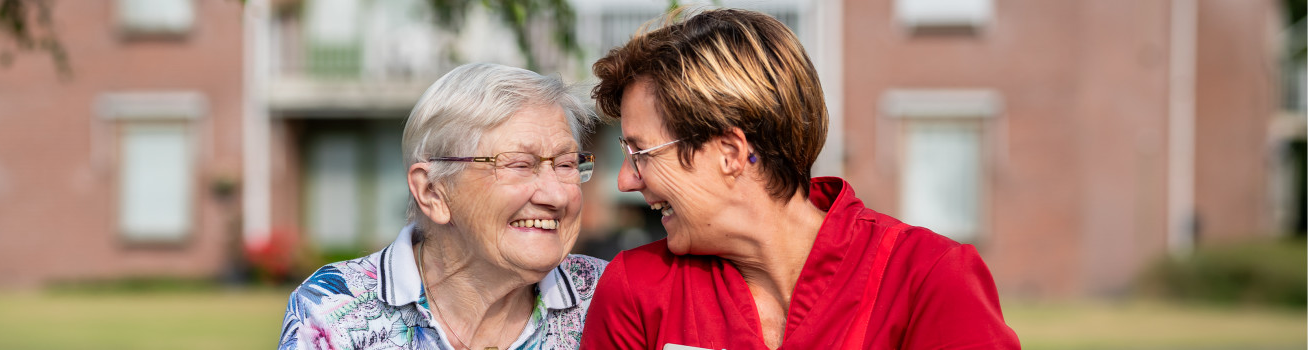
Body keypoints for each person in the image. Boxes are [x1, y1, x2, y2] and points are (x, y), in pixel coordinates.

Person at [581, 8, 1020, 349]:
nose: (625, 180)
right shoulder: (637, 290)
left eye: (641, 153)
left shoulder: (926, 279)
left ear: (731, 153)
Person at [277, 63, 606, 350]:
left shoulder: (609, 296)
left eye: (565, 165)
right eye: (519, 165)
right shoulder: (333, 313)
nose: (557, 195)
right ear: (433, 191)